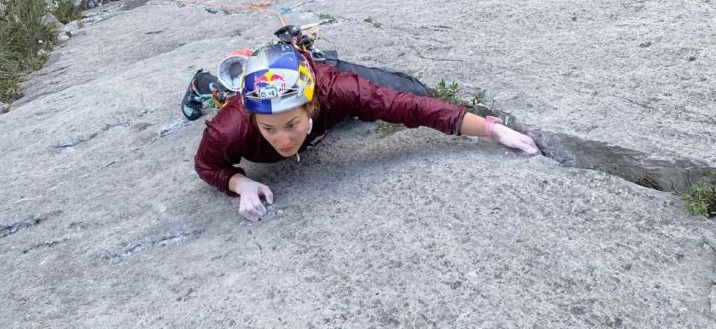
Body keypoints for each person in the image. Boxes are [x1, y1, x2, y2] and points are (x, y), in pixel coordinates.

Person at [193, 39, 541, 222]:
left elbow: (411, 108)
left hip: (329, 82)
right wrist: (239, 183)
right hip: (292, 102)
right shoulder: (231, 127)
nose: (282, 140)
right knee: (221, 93)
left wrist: (492, 129)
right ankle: (202, 82)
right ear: (252, 119)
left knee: (408, 90)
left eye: (292, 124)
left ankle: (310, 52)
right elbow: (207, 165)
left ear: (311, 106)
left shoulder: (338, 91)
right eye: (268, 128)